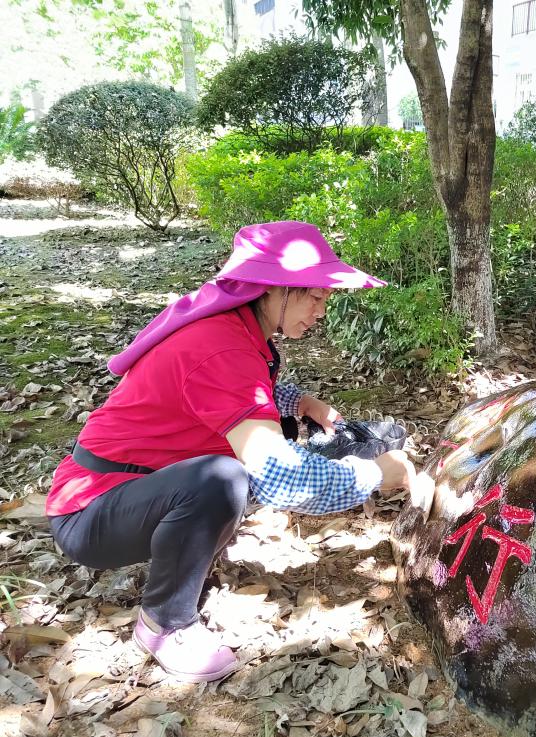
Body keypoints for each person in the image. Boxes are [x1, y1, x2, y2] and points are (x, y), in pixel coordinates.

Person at [45, 221, 417, 682]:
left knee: (244, 460)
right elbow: (285, 480)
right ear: (274, 289)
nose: (322, 310)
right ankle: (164, 623)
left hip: (127, 487)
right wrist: (376, 474)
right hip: (91, 510)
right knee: (224, 480)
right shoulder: (220, 346)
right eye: (314, 296)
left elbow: (238, 394)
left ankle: (187, 549)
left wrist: (299, 403)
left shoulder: (236, 329)